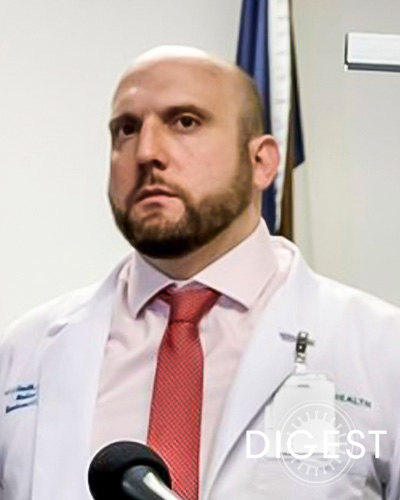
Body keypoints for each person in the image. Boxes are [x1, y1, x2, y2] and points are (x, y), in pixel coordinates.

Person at [1, 45, 400, 500]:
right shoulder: (25, 352)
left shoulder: (382, 348)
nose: (147, 152)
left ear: (262, 162)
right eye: (126, 130)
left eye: (185, 122)